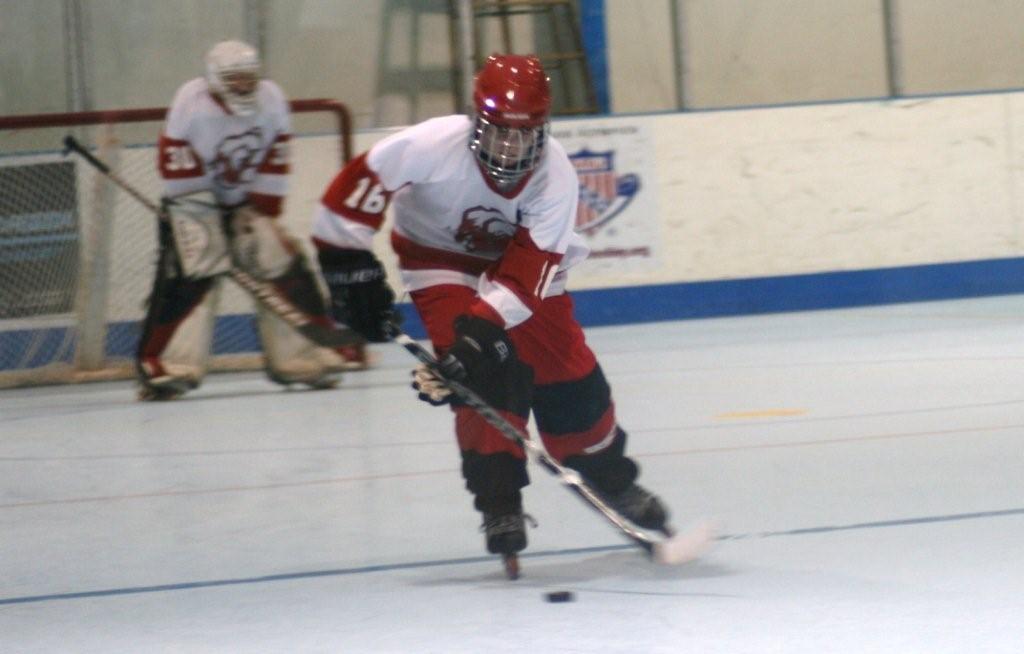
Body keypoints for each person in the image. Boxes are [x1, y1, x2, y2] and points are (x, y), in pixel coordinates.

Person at [311, 54, 669, 563]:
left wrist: (477, 336)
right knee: (483, 382)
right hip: (438, 262)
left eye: (522, 136)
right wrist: (348, 266)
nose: (509, 147)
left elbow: (524, 281)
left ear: (542, 131)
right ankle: (499, 502)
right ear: (477, 121)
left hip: (516, 268)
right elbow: (350, 196)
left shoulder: (556, 178)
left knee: (568, 372)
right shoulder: (428, 145)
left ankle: (610, 478)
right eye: (498, 132)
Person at [137, 39, 358, 400]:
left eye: (247, 78)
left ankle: (304, 358)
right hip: (193, 206)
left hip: (246, 205)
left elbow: (276, 155)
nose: (242, 85)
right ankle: (166, 367)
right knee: (191, 278)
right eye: (233, 79)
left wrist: (259, 212)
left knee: (282, 263)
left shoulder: (271, 99)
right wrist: (206, 219)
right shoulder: (190, 102)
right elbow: (174, 162)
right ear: (215, 79)